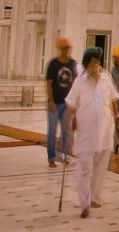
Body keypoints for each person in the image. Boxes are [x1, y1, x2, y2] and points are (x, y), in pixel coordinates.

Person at [65, 47, 119, 219]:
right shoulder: (79, 82)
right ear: (86, 65)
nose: (95, 68)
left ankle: (93, 197)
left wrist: (118, 120)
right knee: (85, 168)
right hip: (86, 134)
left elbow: (113, 100)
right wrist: (68, 128)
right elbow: (71, 105)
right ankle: (84, 204)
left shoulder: (106, 79)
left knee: (100, 168)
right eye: (92, 64)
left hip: (105, 132)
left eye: (97, 63)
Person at [45, 37, 77, 168]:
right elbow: (49, 84)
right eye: (64, 48)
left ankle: (65, 156)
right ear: (60, 49)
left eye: (68, 48)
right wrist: (51, 102)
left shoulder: (73, 64)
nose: (66, 51)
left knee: (66, 132)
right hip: (55, 103)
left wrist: (74, 103)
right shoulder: (53, 64)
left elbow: (76, 84)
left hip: (67, 104)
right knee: (52, 132)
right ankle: (51, 158)